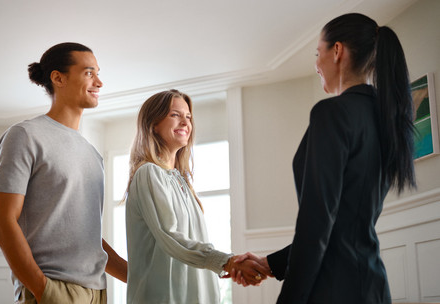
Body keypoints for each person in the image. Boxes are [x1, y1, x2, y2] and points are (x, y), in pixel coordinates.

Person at [232, 13, 416, 304]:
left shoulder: (332, 113)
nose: (316, 64)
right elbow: (341, 225)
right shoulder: (384, 119)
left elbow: (317, 224)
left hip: (334, 290)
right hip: (372, 287)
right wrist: (270, 263)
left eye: (318, 53)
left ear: (338, 51)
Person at [0, 42, 127, 304]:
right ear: (58, 78)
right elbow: (2, 221)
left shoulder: (92, 154)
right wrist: (43, 290)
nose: (99, 82)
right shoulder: (25, 136)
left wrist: (137, 275)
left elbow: (87, 237)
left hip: (97, 292)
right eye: (89, 73)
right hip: (52, 290)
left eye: (98, 73)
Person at [124, 89, 267, 304]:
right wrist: (226, 261)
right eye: (175, 115)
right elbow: (171, 237)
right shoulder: (149, 173)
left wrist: (228, 264)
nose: (185, 122)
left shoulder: (182, 182)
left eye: (188, 116)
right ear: (153, 123)